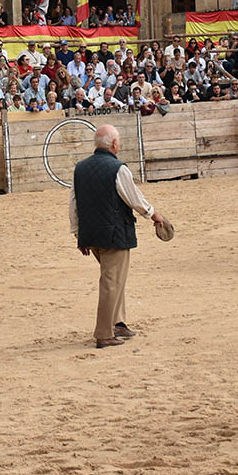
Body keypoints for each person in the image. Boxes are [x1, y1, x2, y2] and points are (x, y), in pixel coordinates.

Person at [69, 124, 167, 348]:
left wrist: (78, 234)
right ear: (114, 144)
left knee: (115, 279)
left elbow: (74, 203)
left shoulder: (80, 168)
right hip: (114, 233)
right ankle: (104, 333)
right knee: (111, 282)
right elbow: (135, 199)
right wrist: (154, 216)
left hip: (91, 235)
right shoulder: (118, 168)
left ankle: (118, 323)